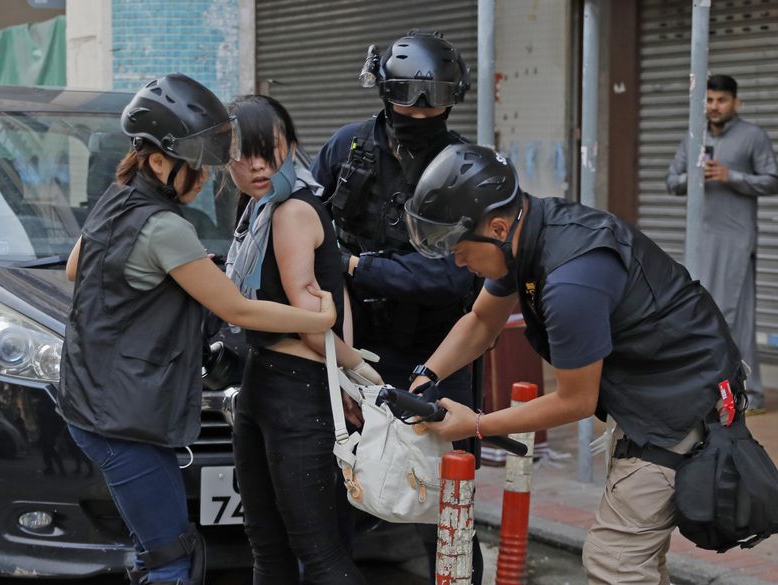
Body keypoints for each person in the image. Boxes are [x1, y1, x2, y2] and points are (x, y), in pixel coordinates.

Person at [405, 144, 745, 585]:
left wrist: (476, 424)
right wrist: (424, 378)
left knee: (614, 563)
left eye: (459, 246)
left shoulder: (570, 279)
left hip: (680, 406)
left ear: (498, 226)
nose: (457, 259)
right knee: (639, 563)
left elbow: (576, 400)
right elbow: (480, 323)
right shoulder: (527, 233)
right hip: (651, 397)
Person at [57, 74, 336, 585]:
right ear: (160, 162)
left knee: (155, 547)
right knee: (174, 560)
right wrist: (319, 319)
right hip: (123, 418)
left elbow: (79, 268)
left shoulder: (116, 199)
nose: (208, 179)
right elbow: (240, 310)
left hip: (94, 402)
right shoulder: (166, 228)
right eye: (198, 168)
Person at [310, 30, 483, 582]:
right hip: (359, 348)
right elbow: (307, 235)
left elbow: (457, 274)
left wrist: (358, 267)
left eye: (436, 99)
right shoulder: (346, 149)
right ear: (385, 93)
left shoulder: (465, 165)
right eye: (411, 96)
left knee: (449, 497)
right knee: (339, 481)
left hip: (443, 353)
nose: (423, 110)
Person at [224, 95, 379, 585]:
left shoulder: (289, 211)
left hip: (294, 391)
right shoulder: (257, 211)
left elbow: (313, 320)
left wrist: (354, 374)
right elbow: (337, 299)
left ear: (290, 146)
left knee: (316, 554)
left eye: (268, 150)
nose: (256, 165)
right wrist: (343, 374)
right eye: (241, 153)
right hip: (267, 384)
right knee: (271, 551)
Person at [665, 74, 778, 413]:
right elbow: (672, 181)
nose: (714, 107)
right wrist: (695, 177)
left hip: (735, 239)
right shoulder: (693, 137)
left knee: (735, 315)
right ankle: (710, 388)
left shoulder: (752, 136)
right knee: (699, 313)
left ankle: (750, 393)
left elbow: (773, 181)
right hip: (700, 239)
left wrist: (732, 176)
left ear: (736, 103)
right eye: (710, 100)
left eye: (722, 100)